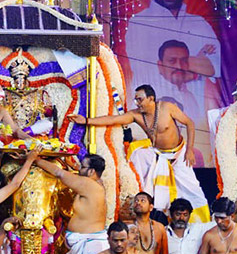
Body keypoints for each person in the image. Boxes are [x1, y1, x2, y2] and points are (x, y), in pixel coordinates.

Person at [73, 85, 206, 219]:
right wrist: (86, 121)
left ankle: (201, 221)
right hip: (158, 154)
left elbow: (190, 123)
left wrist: (189, 150)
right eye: (136, 100)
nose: (137, 103)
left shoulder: (167, 107)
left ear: (151, 98)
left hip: (179, 154)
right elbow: (113, 119)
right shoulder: (136, 115)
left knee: (192, 189)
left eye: (140, 99)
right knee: (139, 162)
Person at [124, 0, 221, 108]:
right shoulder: (139, 22)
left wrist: (179, 65)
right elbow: (150, 67)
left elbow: (212, 68)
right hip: (151, 112)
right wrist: (194, 63)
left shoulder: (200, 24)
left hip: (194, 113)